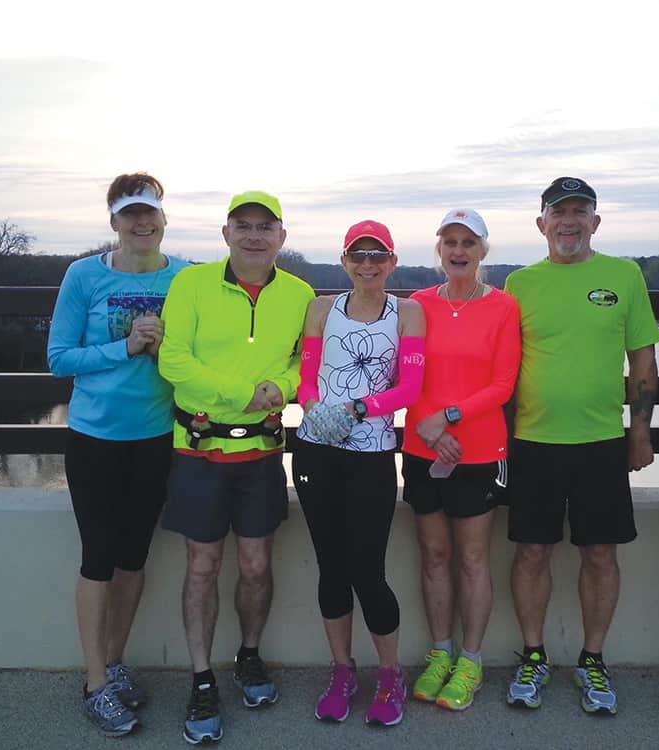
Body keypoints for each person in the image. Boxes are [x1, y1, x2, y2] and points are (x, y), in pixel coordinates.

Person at [158, 190, 314, 744]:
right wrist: (243, 392)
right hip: (198, 448)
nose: (254, 235)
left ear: (281, 237)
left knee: (255, 565)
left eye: (265, 227)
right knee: (201, 568)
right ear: (226, 234)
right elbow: (173, 358)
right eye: (243, 226)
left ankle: (248, 655)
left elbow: (305, 360)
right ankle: (202, 678)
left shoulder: (299, 294)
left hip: (264, 452)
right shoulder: (191, 284)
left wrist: (288, 386)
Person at [503, 177, 659, 714]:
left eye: (580, 211)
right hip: (532, 441)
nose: (568, 221)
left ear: (595, 221)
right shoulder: (520, 284)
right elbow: (498, 363)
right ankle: (533, 655)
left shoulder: (624, 275)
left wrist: (640, 430)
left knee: (600, 553)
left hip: (600, 443)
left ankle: (593, 661)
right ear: (541, 223)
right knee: (531, 552)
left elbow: (643, 359)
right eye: (558, 212)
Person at [47, 172, 188, 736]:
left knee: (134, 559)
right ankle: (94, 681)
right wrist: (123, 346)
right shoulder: (83, 276)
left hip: (155, 437)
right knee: (98, 559)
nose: (141, 222)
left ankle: (116, 660)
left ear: (162, 219)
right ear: (114, 222)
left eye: (149, 212)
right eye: (130, 214)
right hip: (94, 439)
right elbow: (59, 358)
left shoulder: (184, 278)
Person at [292, 219, 425, 726]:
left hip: (371, 452)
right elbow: (308, 379)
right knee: (332, 568)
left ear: (391, 262)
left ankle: (390, 675)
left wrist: (355, 410)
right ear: (344, 261)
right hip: (317, 449)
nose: (367, 264)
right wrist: (313, 408)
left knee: (368, 571)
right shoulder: (321, 308)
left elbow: (409, 389)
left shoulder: (407, 312)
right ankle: (343, 670)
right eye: (358, 255)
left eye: (378, 256)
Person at [402, 209, 520, 711]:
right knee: (434, 556)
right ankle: (440, 653)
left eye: (468, 242)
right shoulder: (416, 304)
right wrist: (429, 428)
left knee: (472, 558)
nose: (458, 250)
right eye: (449, 241)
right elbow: (401, 373)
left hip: (478, 448)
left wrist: (447, 418)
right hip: (421, 446)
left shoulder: (503, 307)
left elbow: (502, 385)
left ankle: (470, 660)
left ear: (483, 251)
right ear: (439, 250)